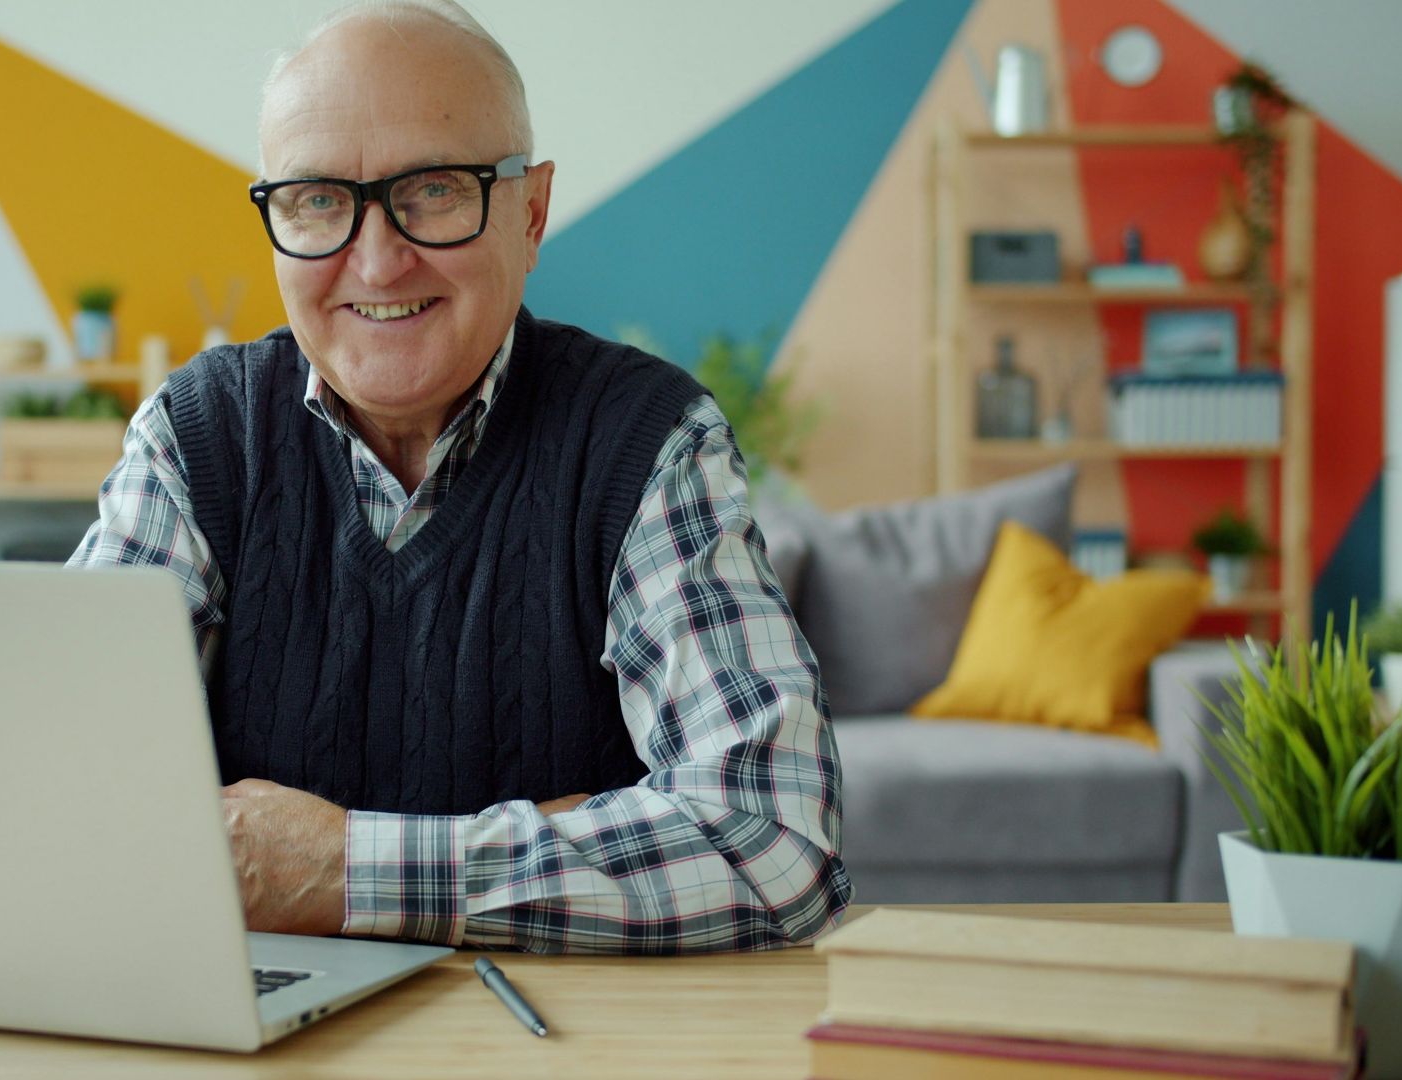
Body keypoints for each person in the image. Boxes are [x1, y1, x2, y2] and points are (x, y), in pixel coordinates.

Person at [69, 0, 850, 953]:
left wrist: (339, 866)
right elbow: (66, 801)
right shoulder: (197, 438)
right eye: (317, 200)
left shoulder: (646, 441)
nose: (378, 259)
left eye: (433, 190)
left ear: (530, 210)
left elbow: (768, 845)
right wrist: (574, 827)